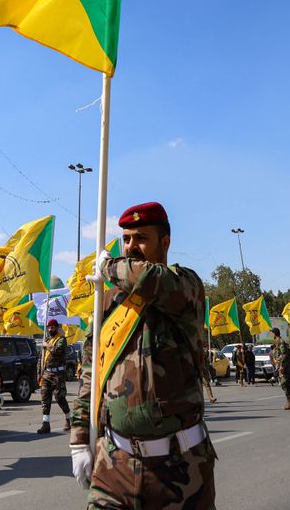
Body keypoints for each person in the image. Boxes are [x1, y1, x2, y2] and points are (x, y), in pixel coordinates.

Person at [69, 202, 215, 510]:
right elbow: (90, 373)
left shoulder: (184, 286)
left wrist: (108, 267)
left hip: (179, 470)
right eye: (126, 239)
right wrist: (80, 439)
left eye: (141, 238)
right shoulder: (108, 303)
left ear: (165, 242)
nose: (131, 246)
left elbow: (150, 279)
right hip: (114, 464)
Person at [37, 319, 72, 434]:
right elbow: (41, 358)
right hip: (47, 374)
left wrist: (47, 346)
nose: (50, 329)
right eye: (49, 327)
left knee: (59, 398)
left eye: (52, 327)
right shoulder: (47, 340)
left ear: (57, 327)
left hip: (58, 374)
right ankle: (45, 424)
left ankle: (68, 419)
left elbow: (59, 351)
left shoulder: (61, 339)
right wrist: (39, 373)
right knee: (45, 399)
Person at [270, 328, 290, 410]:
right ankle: (289, 402)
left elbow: (284, 354)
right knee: (283, 383)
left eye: (272, 333)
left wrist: (282, 366)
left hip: (284, 365)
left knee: (284, 383)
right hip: (280, 364)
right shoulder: (277, 341)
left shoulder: (280, 341)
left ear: (275, 333)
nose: (271, 334)